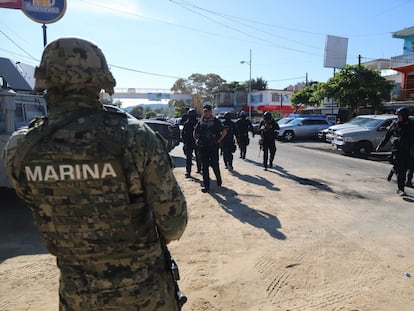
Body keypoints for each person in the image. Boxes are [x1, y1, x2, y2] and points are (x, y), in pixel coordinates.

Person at [2, 37, 187, 310]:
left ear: (46, 80)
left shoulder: (20, 147)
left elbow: (35, 201)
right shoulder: (134, 137)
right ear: (99, 83)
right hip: (146, 296)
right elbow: (174, 223)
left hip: (78, 298)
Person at [376, 107, 414, 196]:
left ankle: (394, 169)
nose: (398, 117)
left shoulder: (412, 125)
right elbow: (388, 136)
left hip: (409, 151)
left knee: (410, 168)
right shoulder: (395, 124)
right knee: (401, 171)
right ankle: (401, 189)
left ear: (405, 116)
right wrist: (380, 145)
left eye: (400, 116)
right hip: (398, 151)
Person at [194, 104, 227, 192]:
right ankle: (206, 186)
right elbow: (195, 132)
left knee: (214, 165)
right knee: (204, 167)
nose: (206, 113)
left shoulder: (216, 121)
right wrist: (197, 139)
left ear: (211, 112)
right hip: (203, 147)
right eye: (204, 111)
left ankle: (219, 180)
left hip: (213, 147)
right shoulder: (200, 122)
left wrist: (218, 140)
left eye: (207, 111)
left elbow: (224, 131)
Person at [182, 108, 201, 177]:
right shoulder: (187, 123)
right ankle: (189, 171)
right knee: (191, 157)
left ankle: (195, 170)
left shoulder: (197, 123)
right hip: (190, 142)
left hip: (195, 142)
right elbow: (183, 134)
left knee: (195, 157)